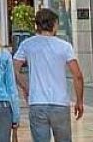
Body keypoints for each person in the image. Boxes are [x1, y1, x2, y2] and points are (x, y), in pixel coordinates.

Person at [13, 9, 84, 142]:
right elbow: (78, 75)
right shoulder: (65, 46)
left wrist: (25, 87)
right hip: (60, 103)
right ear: (54, 24)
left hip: (37, 102)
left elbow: (14, 69)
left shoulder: (27, 45)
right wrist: (79, 101)